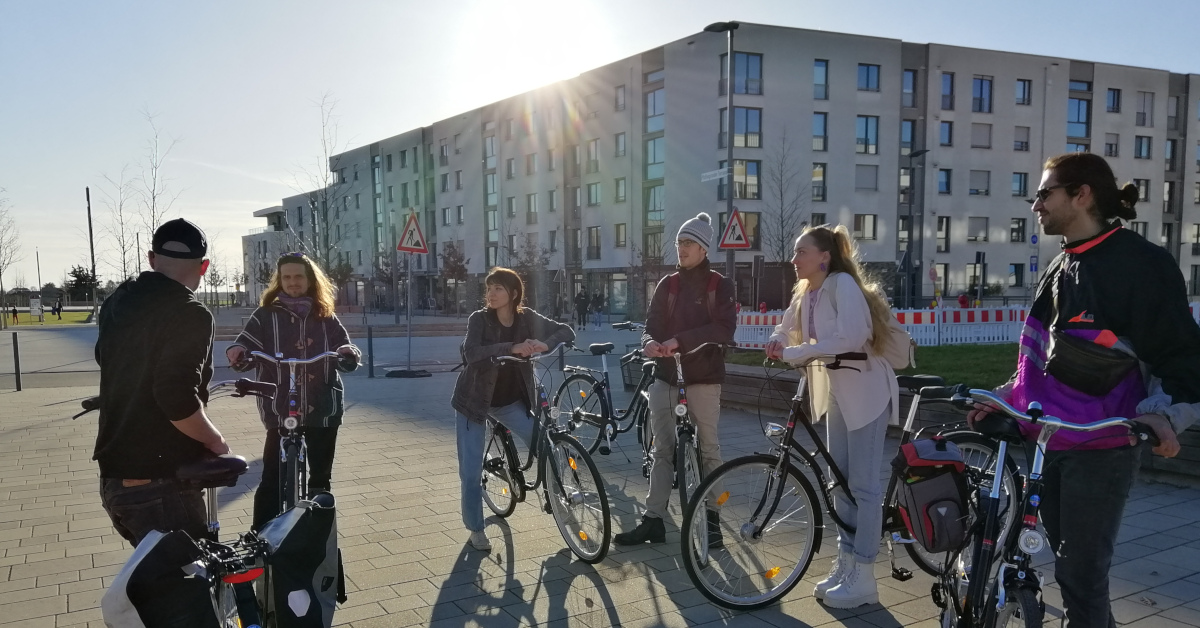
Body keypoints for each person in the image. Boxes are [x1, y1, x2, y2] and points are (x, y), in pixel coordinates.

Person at [965, 153, 1199, 627]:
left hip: (1102, 446)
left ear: (1081, 194)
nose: (1035, 205)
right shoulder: (1061, 263)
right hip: (1045, 443)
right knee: (1068, 568)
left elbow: (1183, 356)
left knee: (1081, 578)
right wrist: (1004, 395)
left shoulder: (1142, 264)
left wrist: (1165, 415)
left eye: (1044, 193)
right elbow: (1039, 356)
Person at [764, 225, 899, 608]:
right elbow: (787, 323)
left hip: (867, 393)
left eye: (801, 251)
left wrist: (795, 353)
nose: (794, 259)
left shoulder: (842, 285)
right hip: (839, 393)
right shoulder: (807, 292)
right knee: (837, 480)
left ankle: (865, 576)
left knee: (864, 486)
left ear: (824, 256)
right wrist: (778, 338)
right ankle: (845, 564)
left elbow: (851, 337)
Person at [92, 218, 230, 547]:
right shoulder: (190, 312)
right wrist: (216, 442)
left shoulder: (118, 301)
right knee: (187, 592)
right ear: (204, 266)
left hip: (115, 477)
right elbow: (175, 396)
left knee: (158, 588)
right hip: (160, 482)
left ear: (152, 259)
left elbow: (105, 359)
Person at [614, 212, 736, 547]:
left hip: (703, 380)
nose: (681, 248)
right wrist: (649, 342)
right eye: (679, 242)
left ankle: (713, 521)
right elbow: (650, 324)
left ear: (703, 249)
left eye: (689, 243)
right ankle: (654, 520)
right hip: (666, 378)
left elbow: (724, 329)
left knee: (710, 451)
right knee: (662, 449)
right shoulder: (668, 284)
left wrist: (680, 340)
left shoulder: (719, 285)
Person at [226, 252, 361, 530]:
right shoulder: (265, 316)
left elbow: (346, 350)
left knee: (321, 477)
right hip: (280, 405)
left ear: (309, 279)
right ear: (279, 281)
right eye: (286, 277)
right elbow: (244, 345)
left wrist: (348, 352)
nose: (293, 282)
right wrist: (237, 352)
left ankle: (320, 532)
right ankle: (261, 537)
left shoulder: (325, 315)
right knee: (272, 475)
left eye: (298, 276)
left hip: (323, 405)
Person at [451, 267, 574, 551]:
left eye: (498, 289)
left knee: (544, 445)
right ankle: (476, 529)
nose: (491, 294)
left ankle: (559, 498)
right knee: (470, 473)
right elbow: (471, 353)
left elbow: (564, 330)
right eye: (489, 288)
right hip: (473, 403)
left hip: (509, 402)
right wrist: (513, 346)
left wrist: (545, 343)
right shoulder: (479, 319)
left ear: (514, 293)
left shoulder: (526, 318)